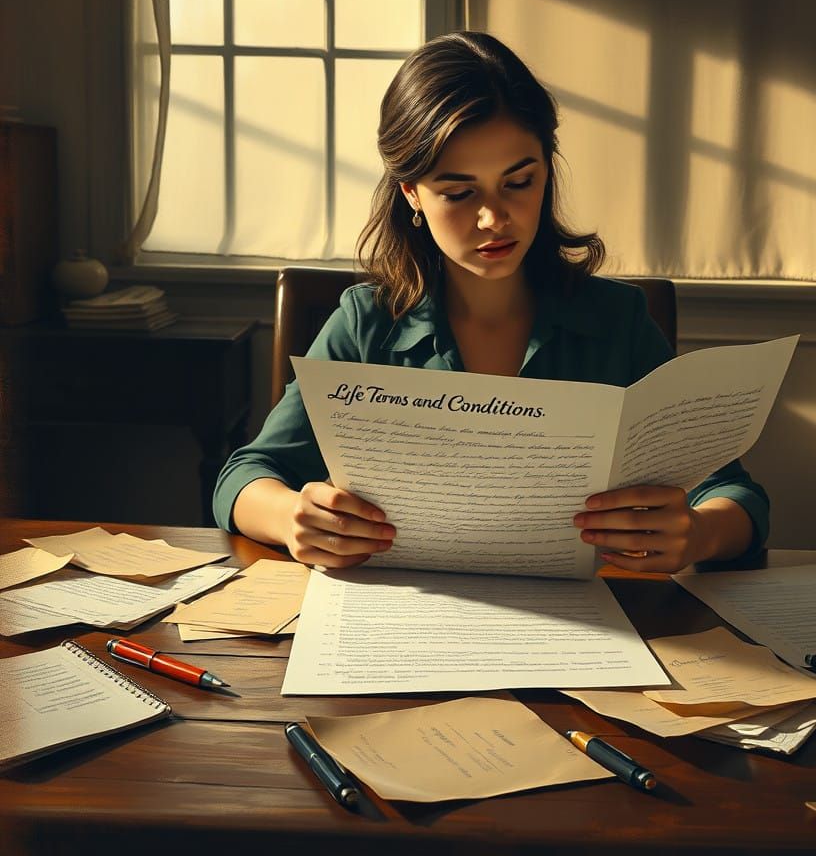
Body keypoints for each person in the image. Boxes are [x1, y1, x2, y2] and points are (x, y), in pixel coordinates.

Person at [213, 31, 768, 574]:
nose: (493, 219)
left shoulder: (615, 321)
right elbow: (245, 475)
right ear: (411, 192)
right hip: (403, 625)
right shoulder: (367, 324)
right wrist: (292, 518)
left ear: (546, 172)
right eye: (459, 193)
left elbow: (736, 494)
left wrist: (698, 533)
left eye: (518, 183)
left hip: (586, 625)